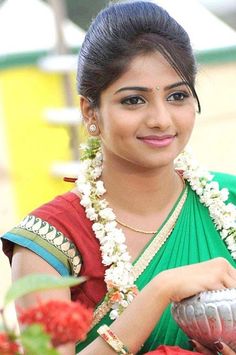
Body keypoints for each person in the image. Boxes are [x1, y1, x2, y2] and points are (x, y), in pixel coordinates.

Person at [1, 1, 236, 354]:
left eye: (177, 96)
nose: (161, 119)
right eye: (133, 101)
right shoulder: (48, 243)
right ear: (89, 111)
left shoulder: (229, 201)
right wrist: (159, 292)